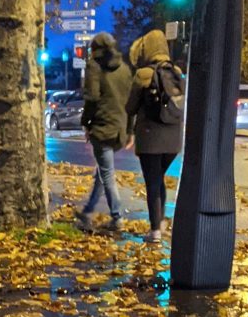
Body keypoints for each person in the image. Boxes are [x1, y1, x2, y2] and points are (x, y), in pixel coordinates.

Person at [126, 29, 185, 244]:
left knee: (152, 182)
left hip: (151, 137)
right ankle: (160, 222)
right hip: (174, 139)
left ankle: (155, 231)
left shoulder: (143, 75)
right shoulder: (176, 71)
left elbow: (130, 107)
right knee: (159, 178)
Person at [76, 32, 133, 232]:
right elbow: (130, 102)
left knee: (106, 174)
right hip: (119, 129)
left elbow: (91, 98)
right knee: (102, 171)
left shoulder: (94, 67)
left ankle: (117, 217)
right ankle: (87, 211)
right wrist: (129, 130)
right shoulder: (125, 70)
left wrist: (86, 123)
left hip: (101, 127)